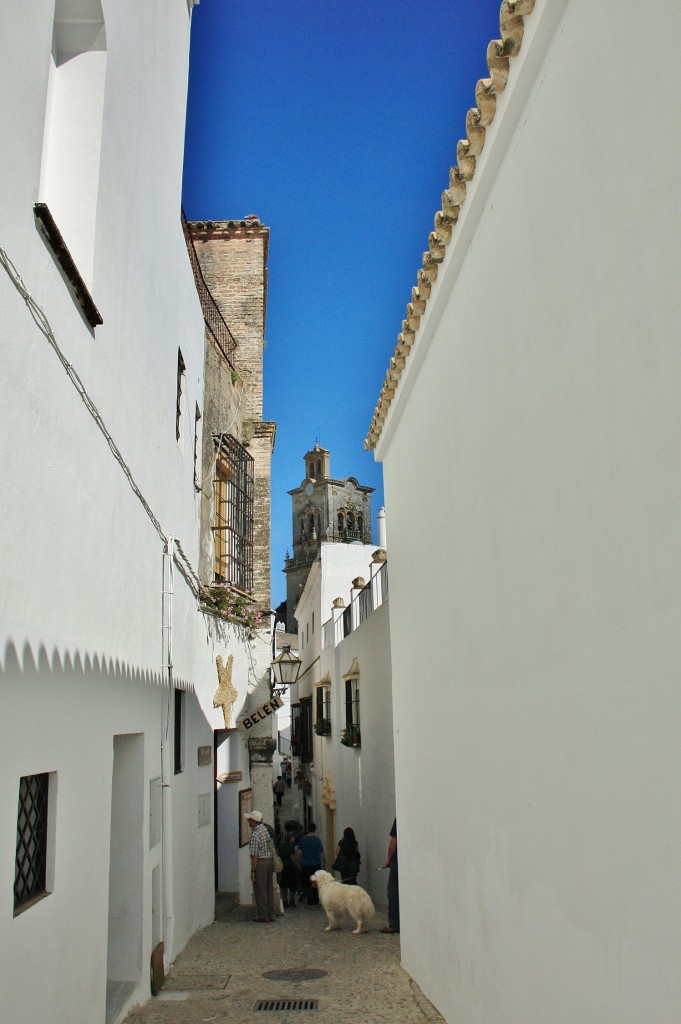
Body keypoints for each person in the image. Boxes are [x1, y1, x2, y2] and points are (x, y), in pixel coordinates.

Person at [246, 810, 275, 923]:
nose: (248, 821)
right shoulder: (264, 830)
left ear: (254, 821)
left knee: (260, 888)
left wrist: (253, 871)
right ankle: (270, 912)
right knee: (268, 888)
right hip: (269, 861)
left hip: (261, 863)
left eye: (249, 819)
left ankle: (263, 914)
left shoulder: (255, 834)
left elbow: (254, 856)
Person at [295, 822, 325, 907]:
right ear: (315, 829)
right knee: (315, 883)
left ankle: (310, 902)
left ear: (308, 829)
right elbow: (321, 853)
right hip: (316, 864)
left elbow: (299, 852)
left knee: (307, 883)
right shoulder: (317, 840)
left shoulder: (303, 839)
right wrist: (324, 863)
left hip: (305, 864)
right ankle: (316, 901)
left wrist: (298, 862)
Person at [380, 817, 399, 933]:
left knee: (393, 891)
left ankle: (394, 923)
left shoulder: (400, 817)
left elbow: (394, 842)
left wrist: (388, 859)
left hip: (397, 861)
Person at [277, 831, 299, 908]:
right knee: (292, 885)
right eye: (293, 838)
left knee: (283, 885)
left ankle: (285, 901)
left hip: (283, 867)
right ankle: (292, 901)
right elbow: (293, 858)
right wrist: (297, 857)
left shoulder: (281, 846)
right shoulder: (291, 847)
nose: (294, 839)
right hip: (291, 868)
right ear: (290, 839)